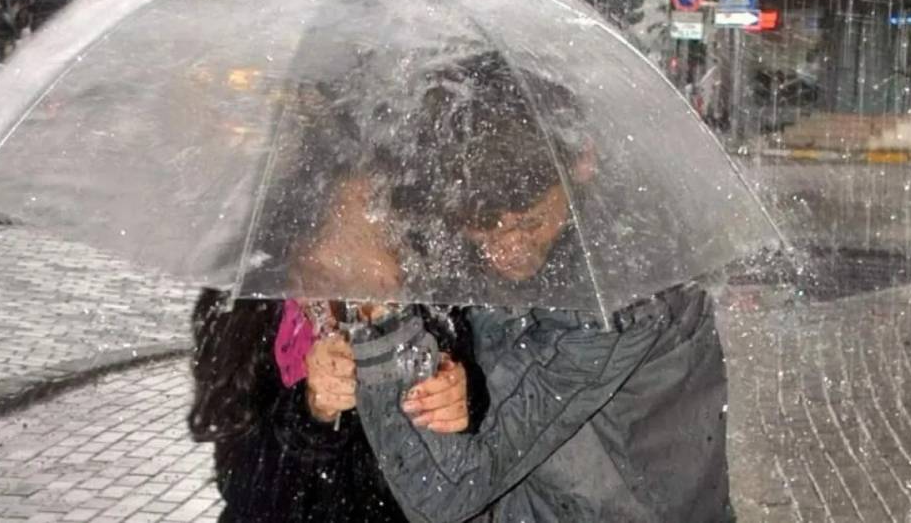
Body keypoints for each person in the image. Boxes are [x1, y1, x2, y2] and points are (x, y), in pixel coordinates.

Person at [349, 51, 733, 523]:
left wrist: (385, 320)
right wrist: (445, 378)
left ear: (582, 163)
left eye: (530, 222)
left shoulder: (622, 296)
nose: (508, 249)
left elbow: (444, 496)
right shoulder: (458, 248)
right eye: (483, 227)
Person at [188, 164, 488, 522]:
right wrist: (311, 412)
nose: (371, 244)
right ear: (302, 238)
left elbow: (455, 473)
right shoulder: (246, 310)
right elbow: (243, 484)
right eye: (346, 220)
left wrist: (461, 403)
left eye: (384, 227)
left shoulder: (427, 311)